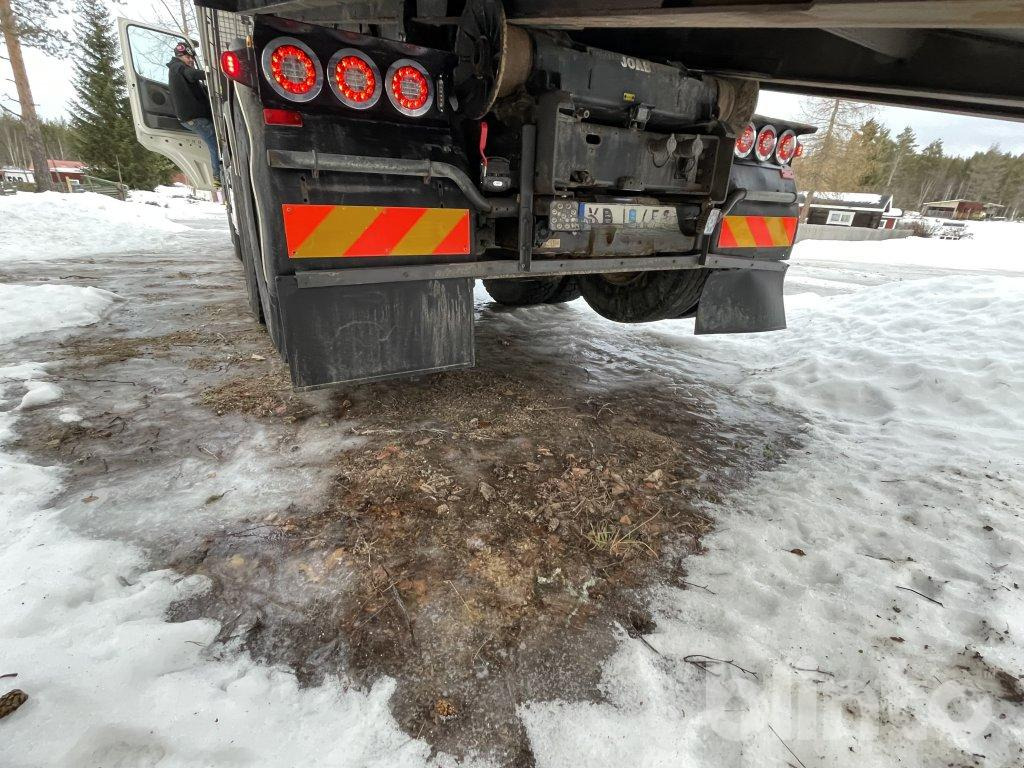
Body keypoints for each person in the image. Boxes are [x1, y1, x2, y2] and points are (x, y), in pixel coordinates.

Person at [167, 42, 221, 187]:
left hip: (191, 118)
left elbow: (196, 86)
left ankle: (218, 175)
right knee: (215, 144)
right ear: (180, 56)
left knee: (214, 142)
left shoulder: (176, 70)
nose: (191, 60)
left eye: (192, 57)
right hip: (195, 118)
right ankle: (218, 177)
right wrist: (212, 73)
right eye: (188, 56)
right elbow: (192, 75)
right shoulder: (178, 67)